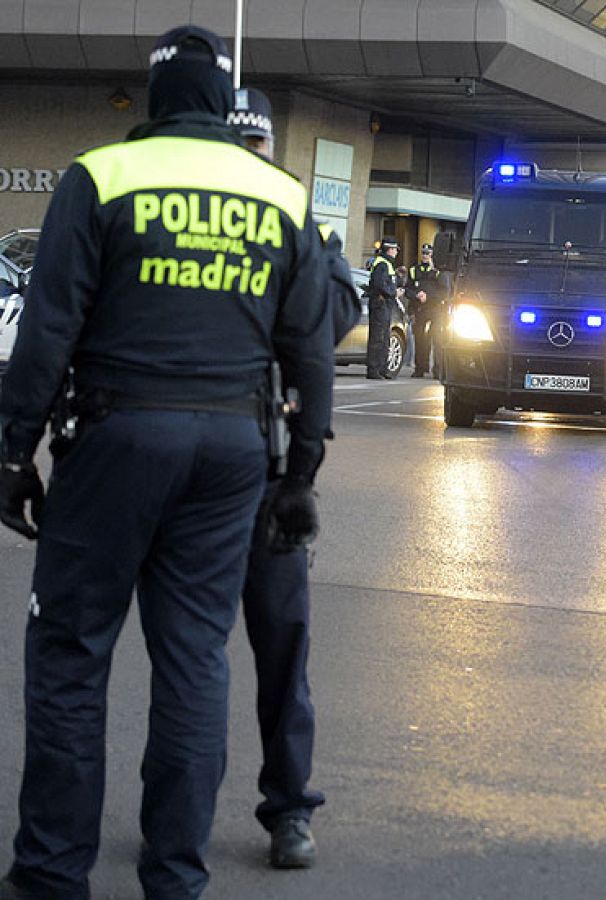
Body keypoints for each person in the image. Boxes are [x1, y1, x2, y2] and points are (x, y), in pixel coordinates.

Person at [0, 24, 333, 900]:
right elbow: (310, 351)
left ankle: (49, 877)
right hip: (230, 453)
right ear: (227, 107)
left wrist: (10, 452)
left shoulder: (100, 176)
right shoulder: (278, 195)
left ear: (153, 102)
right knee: (195, 661)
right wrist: (300, 472)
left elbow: (47, 332)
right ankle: (174, 878)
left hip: (114, 438)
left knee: (72, 654)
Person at [230, 85, 363, 872]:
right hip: (258, 455)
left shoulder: (291, 223)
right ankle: (285, 814)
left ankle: (282, 810)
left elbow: (333, 315)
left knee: (246, 649)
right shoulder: (290, 218)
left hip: (260, 455)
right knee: (258, 648)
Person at [407, 243, 451, 378]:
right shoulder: (414, 270)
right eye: (424, 253)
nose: (425, 256)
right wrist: (416, 296)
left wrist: (429, 297)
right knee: (420, 339)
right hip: (419, 309)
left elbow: (445, 292)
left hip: (436, 309)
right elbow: (408, 289)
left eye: (428, 253)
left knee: (437, 340)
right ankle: (420, 368)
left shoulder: (439, 272)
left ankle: (438, 370)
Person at [365, 236, 400, 378]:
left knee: (385, 337)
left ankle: (382, 369)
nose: (397, 252)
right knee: (378, 338)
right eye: (396, 249)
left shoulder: (387, 263)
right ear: (390, 249)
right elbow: (379, 284)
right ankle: (374, 370)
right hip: (380, 304)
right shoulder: (382, 264)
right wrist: (394, 292)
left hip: (385, 305)